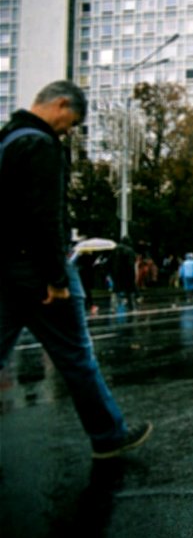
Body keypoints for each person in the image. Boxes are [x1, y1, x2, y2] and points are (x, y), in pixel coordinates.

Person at [0, 79, 152, 458]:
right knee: (76, 356)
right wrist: (56, 279)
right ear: (61, 105)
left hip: (4, 268)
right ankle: (108, 435)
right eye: (71, 123)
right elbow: (45, 217)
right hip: (37, 271)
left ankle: (109, 433)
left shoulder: (6, 139)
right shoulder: (39, 143)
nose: (67, 131)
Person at [110, 236, 138, 311]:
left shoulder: (115, 250)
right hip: (127, 274)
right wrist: (133, 276)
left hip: (116, 273)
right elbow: (130, 264)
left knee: (115, 290)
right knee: (129, 290)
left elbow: (110, 262)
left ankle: (113, 307)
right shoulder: (130, 250)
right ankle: (131, 306)